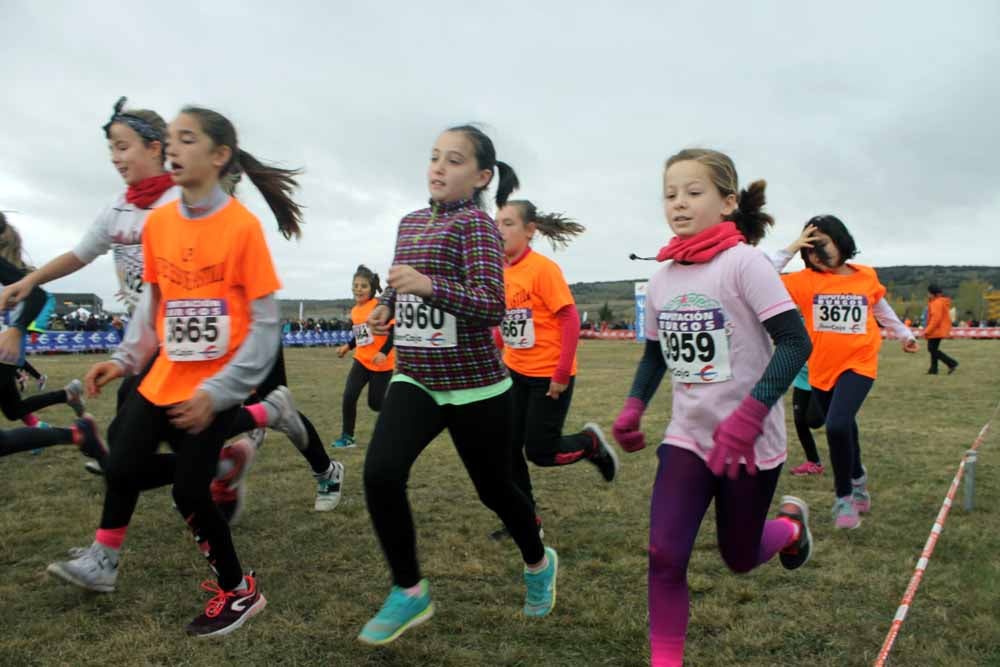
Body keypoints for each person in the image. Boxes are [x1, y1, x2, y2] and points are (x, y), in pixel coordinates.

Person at [0, 99, 334, 509]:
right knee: (142, 415)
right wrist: (31, 279)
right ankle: (174, 468)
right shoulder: (118, 210)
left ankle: (319, 466)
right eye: (112, 150)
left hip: (235, 331)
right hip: (166, 337)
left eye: (123, 147)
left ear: (156, 148)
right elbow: (80, 254)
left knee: (243, 407)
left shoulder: (186, 199)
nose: (115, 159)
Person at [48, 106, 301, 636]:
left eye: (187, 140)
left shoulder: (240, 227)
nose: (173, 149)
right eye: (170, 140)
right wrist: (123, 359)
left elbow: (264, 323)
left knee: (189, 493)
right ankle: (224, 463)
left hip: (212, 388)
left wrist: (220, 390)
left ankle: (239, 592)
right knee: (122, 466)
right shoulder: (160, 222)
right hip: (162, 376)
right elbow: (153, 304)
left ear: (219, 155)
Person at [610, 148, 813, 667]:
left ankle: (791, 527)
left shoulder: (745, 264)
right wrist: (635, 405)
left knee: (740, 557)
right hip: (688, 439)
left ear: (727, 202)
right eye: (670, 194)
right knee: (663, 556)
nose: (678, 204)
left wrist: (749, 416)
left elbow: (794, 343)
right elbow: (657, 351)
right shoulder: (662, 277)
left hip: (749, 445)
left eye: (693, 192)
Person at [358, 125, 558, 646]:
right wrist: (387, 307)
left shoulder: (477, 227)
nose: (438, 168)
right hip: (417, 378)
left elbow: (491, 304)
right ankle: (408, 590)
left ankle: (538, 562)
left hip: (477, 389)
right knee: (380, 473)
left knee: (496, 490)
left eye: (453, 160)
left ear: (481, 177)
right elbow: (404, 288)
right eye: (433, 158)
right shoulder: (408, 224)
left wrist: (428, 286)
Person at [779, 215, 918, 530]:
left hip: (859, 363)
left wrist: (905, 335)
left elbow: (881, 309)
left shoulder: (865, 276)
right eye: (809, 249)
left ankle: (844, 498)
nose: (816, 254)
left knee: (838, 425)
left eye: (822, 244)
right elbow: (761, 275)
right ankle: (858, 478)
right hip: (820, 369)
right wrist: (790, 248)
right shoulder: (804, 281)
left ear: (841, 241)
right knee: (843, 425)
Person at [490, 199, 618, 539]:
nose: (498, 229)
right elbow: (508, 323)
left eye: (508, 223)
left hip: (549, 374)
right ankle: (524, 520)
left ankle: (590, 444)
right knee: (508, 449)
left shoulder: (543, 270)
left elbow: (570, 319)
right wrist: (493, 350)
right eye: (496, 222)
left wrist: (561, 373)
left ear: (530, 230)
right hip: (514, 371)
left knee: (541, 452)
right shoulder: (499, 270)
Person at [0, 213, 87, 426]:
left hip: (4, 347)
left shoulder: (6, 269)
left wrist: (17, 329)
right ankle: (68, 398)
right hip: (7, 348)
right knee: (13, 410)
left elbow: (37, 294)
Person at [331, 265, 394, 449]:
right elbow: (362, 333)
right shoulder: (355, 311)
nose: (358, 289)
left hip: (382, 363)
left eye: (363, 286)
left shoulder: (380, 307)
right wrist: (347, 346)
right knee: (349, 396)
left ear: (372, 289)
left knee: (375, 404)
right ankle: (347, 437)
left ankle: (397, 417)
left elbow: (395, 331)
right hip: (362, 360)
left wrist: (383, 352)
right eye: (355, 285)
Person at [923, 284, 958, 375]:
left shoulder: (936, 303)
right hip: (939, 329)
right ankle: (933, 370)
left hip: (936, 330)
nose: (927, 295)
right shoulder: (939, 302)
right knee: (933, 349)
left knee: (932, 349)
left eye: (928, 293)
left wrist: (927, 330)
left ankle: (952, 363)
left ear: (933, 294)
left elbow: (936, 319)